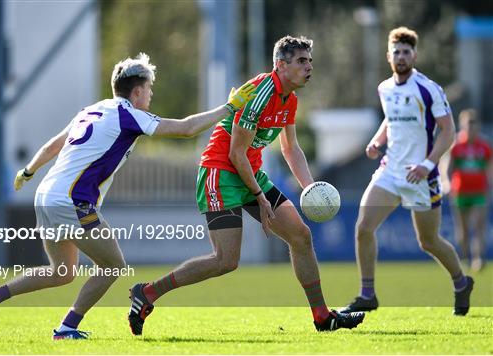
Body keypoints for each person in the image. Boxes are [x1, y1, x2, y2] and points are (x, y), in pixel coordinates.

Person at [0, 53, 257, 341]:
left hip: (45, 195)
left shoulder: (90, 110)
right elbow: (186, 129)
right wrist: (229, 107)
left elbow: (54, 144)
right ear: (138, 91)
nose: (151, 95)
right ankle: (66, 328)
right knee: (113, 265)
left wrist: (28, 171)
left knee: (62, 272)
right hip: (71, 200)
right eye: (150, 90)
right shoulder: (128, 114)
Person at [127, 36, 366, 335]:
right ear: (281, 65)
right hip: (221, 172)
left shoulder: (289, 99)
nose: (309, 67)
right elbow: (234, 153)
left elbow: (290, 149)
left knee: (301, 236)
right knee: (226, 261)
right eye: (302, 61)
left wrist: (310, 188)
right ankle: (148, 293)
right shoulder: (259, 93)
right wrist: (259, 196)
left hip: (249, 172)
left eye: (310, 61)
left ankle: (322, 316)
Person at [340, 27, 474, 316]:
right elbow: (390, 120)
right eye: (396, 52)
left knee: (428, 241)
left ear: (414, 55)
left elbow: (448, 130)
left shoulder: (428, 89)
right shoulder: (384, 88)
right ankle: (367, 294)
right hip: (390, 172)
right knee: (363, 228)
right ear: (389, 56)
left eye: (406, 51)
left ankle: (461, 282)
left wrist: (428, 164)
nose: (401, 56)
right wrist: (377, 141)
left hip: (421, 176)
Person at [449, 109, 491, 271]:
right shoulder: (456, 145)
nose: (471, 129)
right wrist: (446, 182)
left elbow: (490, 168)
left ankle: (478, 258)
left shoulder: (484, 146)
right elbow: (448, 167)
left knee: (479, 226)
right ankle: (465, 257)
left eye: (474, 126)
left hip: (480, 192)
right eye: (468, 126)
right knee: (463, 229)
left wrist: (490, 185)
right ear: (462, 126)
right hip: (460, 192)